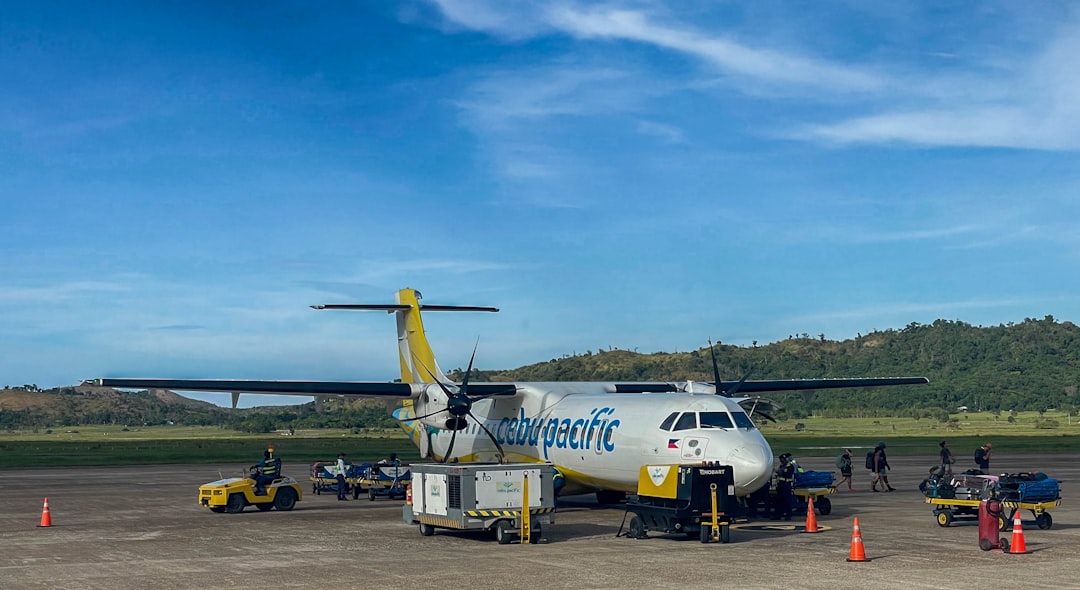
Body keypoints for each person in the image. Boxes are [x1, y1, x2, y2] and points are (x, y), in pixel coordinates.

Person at [773, 453, 796, 521]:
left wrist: (780, 473)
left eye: (783, 459)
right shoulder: (781, 466)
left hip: (786, 486)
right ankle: (778, 515)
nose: (782, 461)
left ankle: (788, 515)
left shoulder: (790, 466)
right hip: (780, 486)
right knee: (779, 501)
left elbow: (788, 475)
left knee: (787, 501)